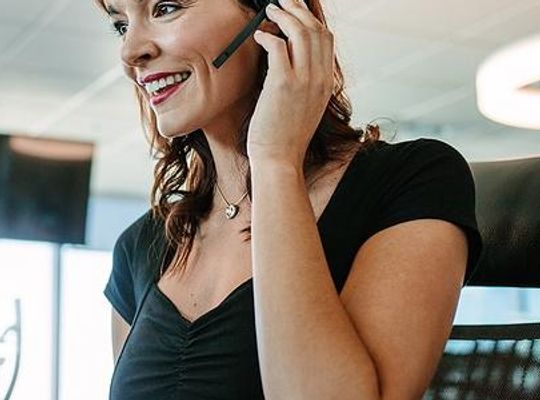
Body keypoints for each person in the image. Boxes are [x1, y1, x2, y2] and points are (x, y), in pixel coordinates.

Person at [98, 0, 483, 398]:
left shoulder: (411, 179)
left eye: (165, 8)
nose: (130, 53)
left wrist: (275, 162)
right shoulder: (140, 246)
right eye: (121, 26)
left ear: (274, 15)